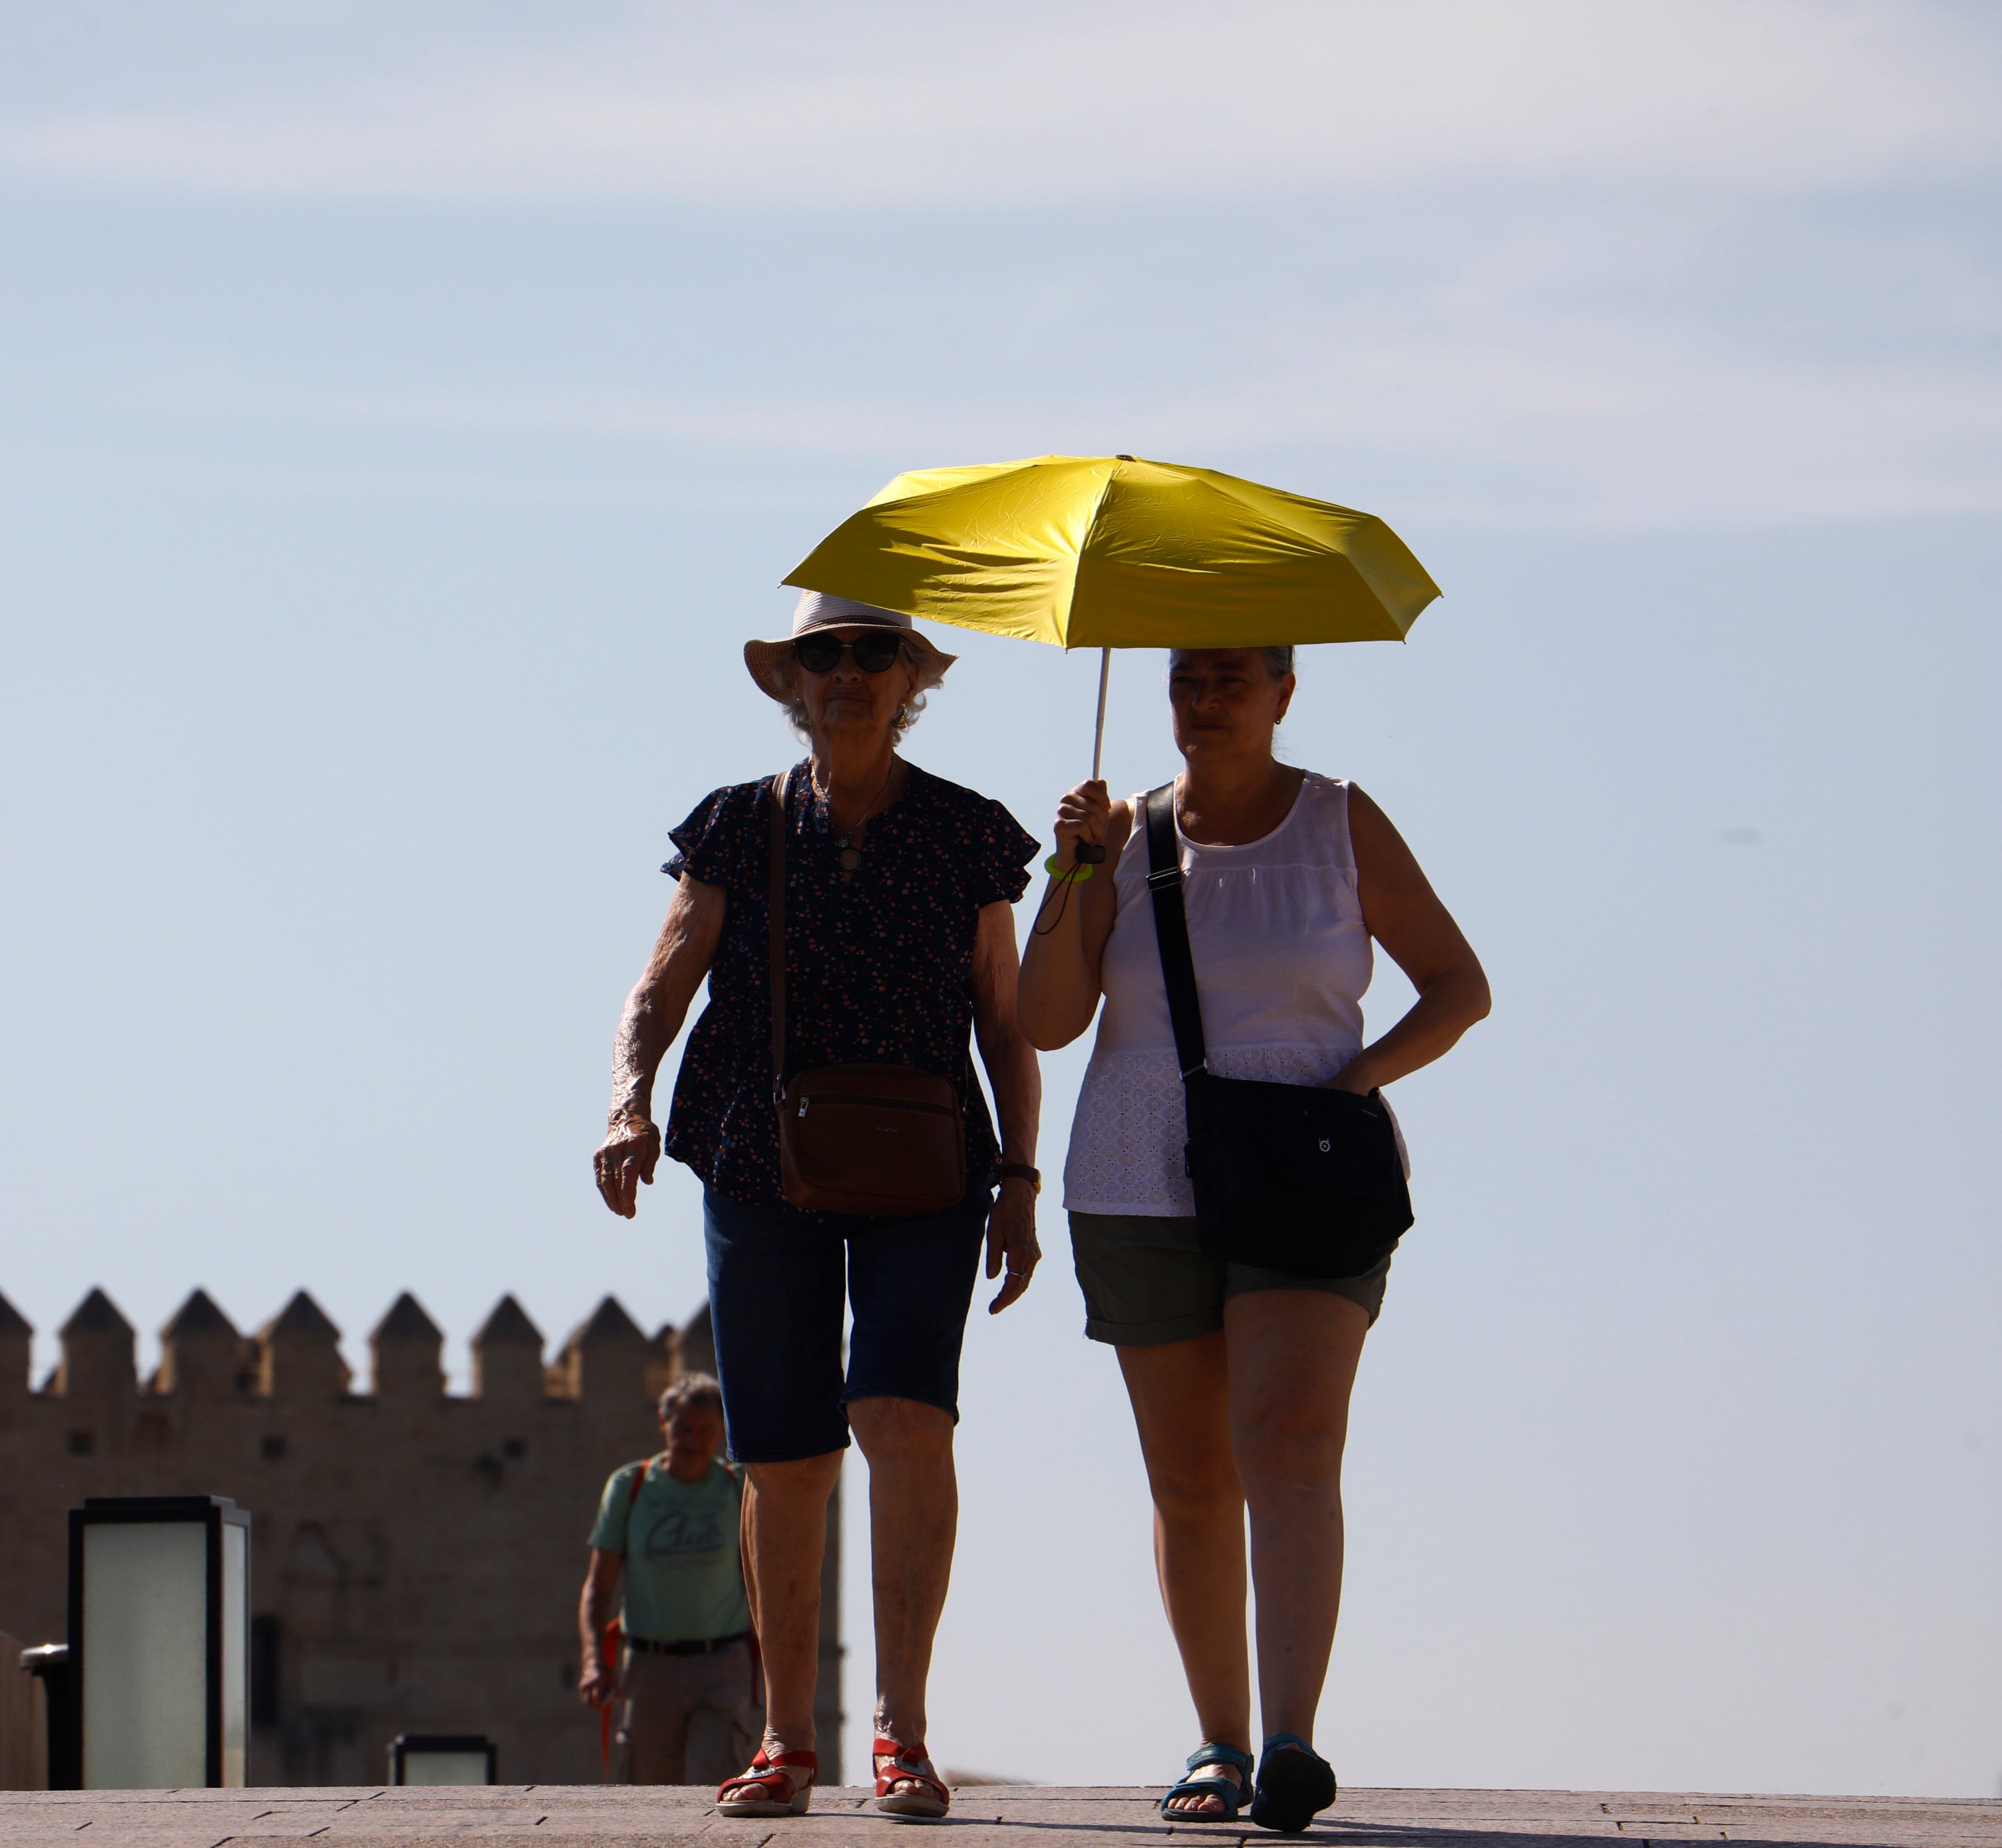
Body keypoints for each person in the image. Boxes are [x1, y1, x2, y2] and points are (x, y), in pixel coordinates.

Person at [1017, 646, 1491, 1832]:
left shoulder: (1341, 819)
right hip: (1135, 1170)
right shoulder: (1116, 831)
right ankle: (1217, 1742)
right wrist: (1071, 874)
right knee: (1188, 1479)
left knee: (1288, 1435)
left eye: (1233, 679)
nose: (1204, 701)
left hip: (1303, 1169)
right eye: (1186, 679)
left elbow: (1454, 985)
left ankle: (1289, 1741)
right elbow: (1043, 1017)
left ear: (1284, 691)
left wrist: (1351, 1085)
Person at [594, 591, 1045, 1821]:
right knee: (783, 1457)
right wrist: (629, 1102)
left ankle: (900, 1730)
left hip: (927, 1166)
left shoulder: (970, 836)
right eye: (824, 656)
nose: (849, 672)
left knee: (906, 1417)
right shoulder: (737, 827)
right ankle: (788, 1738)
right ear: (792, 684)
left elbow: (1005, 1026)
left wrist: (1021, 1174)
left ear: (913, 680)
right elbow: (661, 982)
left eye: (874, 653)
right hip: (757, 1155)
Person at [577, 1374, 756, 1785]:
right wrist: (593, 1662)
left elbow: (762, 1579)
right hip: (647, 1667)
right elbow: (598, 1586)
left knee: (715, 1783)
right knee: (651, 1794)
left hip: (721, 1666)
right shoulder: (630, 1487)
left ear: (720, 1430)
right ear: (663, 1423)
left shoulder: (737, 1488)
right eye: (683, 1430)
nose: (692, 1443)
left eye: (704, 1432)